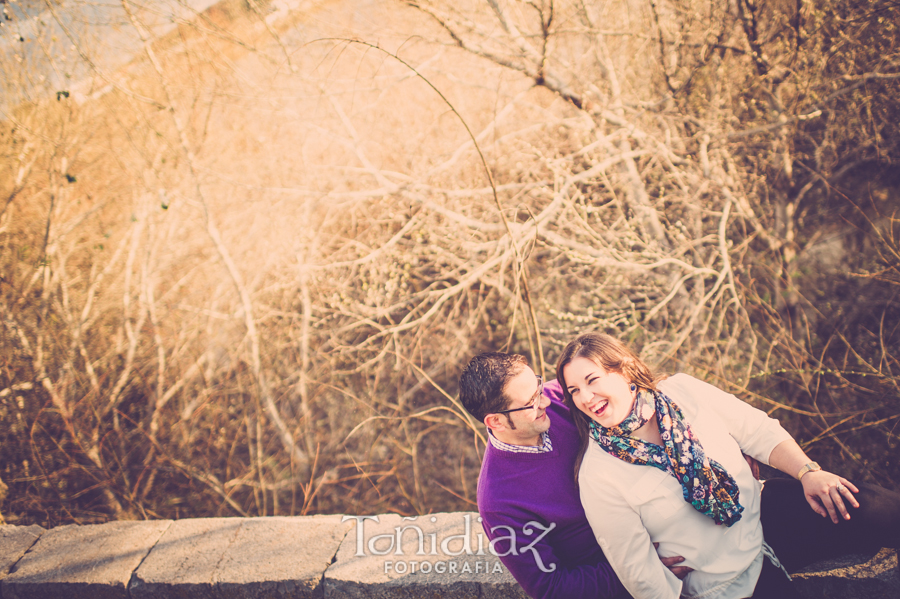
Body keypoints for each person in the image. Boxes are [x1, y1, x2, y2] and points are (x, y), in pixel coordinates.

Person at [556, 332, 900, 599]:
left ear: (624, 369)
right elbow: (634, 568)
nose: (585, 398)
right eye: (573, 390)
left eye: (592, 380)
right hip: (725, 583)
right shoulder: (598, 473)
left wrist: (808, 471)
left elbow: (757, 431)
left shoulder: (682, 391)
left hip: (762, 519)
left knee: (870, 505)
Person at [458, 352, 691, 599]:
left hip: (671, 520)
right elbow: (551, 588)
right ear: (496, 422)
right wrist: (638, 570)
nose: (545, 401)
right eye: (531, 401)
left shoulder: (565, 396)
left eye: (538, 387)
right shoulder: (499, 502)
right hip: (638, 578)